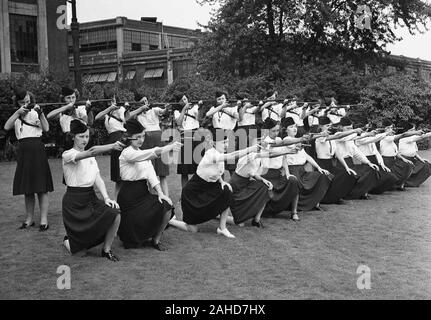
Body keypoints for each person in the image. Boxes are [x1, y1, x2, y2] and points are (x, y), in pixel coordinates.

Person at [169, 129, 259, 238]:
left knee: (227, 191)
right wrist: (251, 149)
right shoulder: (211, 154)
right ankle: (170, 221)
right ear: (214, 143)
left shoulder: (219, 154)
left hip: (209, 187)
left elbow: (216, 172)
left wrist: (222, 182)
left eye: (227, 142)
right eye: (223, 143)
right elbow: (232, 156)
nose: (226, 145)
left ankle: (222, 228)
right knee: (193, 229)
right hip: (192, 193)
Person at [61, 120, 124, 261]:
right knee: (79, 253)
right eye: (81, 136)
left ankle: (106, 250)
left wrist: (107, 198)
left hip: (90, 198)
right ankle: (68, 240)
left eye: (87, 136)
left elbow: (98, 178)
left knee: (115, 214)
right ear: (73, 137)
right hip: (73, 202)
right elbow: (91, 151)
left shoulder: (91, 158)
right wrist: (113, 145)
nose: (85, 140)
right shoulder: (67, 154)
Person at [117, 119, 182, 251]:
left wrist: (161, 193)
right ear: (129, 138)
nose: (141, 140)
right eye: (137, 137)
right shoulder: (127, 153)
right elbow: (146, 154)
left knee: (167, 206)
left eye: (142, 136)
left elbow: (152, 176)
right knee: (131, 243)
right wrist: (168, 147)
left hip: (143, 193)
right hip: (128, 196)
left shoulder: (142, 153)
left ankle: (156, 239)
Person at [4, 88, 53, 231]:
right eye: (22, 102)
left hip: (37, 149)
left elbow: (47, 128)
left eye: (27, 101)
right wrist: (18, 112)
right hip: (24, 150)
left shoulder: (35, 112)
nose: (26, 103)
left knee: (42, 188)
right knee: (28, 188)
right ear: (17, 102)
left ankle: (44, 220)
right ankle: (29, 219)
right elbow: (7, 126)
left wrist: (41, 113)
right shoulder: (17, 114)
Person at [229, 137, 296, 227]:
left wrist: (264, 180)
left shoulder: (258, 156)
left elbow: (253, 173)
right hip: (236, 185)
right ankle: (220, 216)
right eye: (257, 140)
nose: (260, 142)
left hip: (246, 183)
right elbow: (270, 154)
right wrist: (287, 151)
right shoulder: (250, 154)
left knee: (265, 187)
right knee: (239, 224)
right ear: (251, 144)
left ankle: (256, 220)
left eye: (261, 140)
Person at [281, 117, 332, 212]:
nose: (295, 128)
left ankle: (314, 203)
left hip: (302, 170)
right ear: (286, 130)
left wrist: (319, 167)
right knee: (296, 184)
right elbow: (287, 142)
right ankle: (294, 209)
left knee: (321, 176)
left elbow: (307, 156)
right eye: (291, 127)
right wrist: (305, 138)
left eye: (295, 126)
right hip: (293, 170)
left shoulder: (297, 139)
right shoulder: (286, 139)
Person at [127, 95, 171, 196]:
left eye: (146, 101)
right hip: (145, 140)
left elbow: (163, 111)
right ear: (139, 104)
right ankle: (153, 199)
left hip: (158, 138)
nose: (145, 103)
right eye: (142, 102)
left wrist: (166, 109)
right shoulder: (137, 115)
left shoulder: (154, 110)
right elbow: (127, 117)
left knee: (162, 173)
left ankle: (167, 199)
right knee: (150, 172)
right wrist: (140, 109)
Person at [260, 118, 300, 221]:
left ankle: (294, 212)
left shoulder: (278, 139)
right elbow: (271, 154)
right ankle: (261, 213)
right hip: (266, 174)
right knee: (265, 189)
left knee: (293, 180)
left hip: (278, 174)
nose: (276, 133)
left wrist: (287, 173)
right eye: (273, 131)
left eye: (277, 130)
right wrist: (289, 150)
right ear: (267, 130)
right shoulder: (264, 141)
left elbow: (284, 159)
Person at [314, 116, 357, 204]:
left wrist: (346, 167)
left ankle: (335, 197)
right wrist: (354, 131)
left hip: (330, 163)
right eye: (326, 125)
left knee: (347, 174)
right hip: (321, 164)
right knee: (327, 180)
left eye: (329, 125)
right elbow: (330, 137)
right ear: (321, 126)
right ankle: (323, 199)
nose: (329, 127)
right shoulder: (319, 137)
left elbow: (337, 153)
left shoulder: (331, 137)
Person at [334, 117, 380, 199]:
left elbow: (356, 152)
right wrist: (358, 132)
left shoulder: (351, 137)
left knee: (370, 169)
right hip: (340, 164)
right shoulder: (337, 135)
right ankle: (345, 194)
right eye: (347, 128)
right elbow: (348, 137)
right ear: (341, 127)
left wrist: (368, 162)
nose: (349, 130)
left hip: (350, 162)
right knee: (350, 176)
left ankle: (358, 193)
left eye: (351, 128)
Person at [94, 97, 127, 198]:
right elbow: (97, 117)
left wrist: (123, 109)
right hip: (113, 139)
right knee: (118, 176)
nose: (114, 102)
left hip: (122, 137)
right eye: (112, 101)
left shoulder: (121, 110)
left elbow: (126, 121)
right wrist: (110, 109)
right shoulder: (107, 114)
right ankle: (116, 201)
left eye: (115, 101)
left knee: (125, 173)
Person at [47, 86, 92, 151]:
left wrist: (87, 109)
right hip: (67, 139)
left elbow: (87, 122)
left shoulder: (80, 108)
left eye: (73, 97)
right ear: (63, 99)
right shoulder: (61, 110)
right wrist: (66, 107)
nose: (71, 100)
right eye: (68, 98)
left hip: (80, 138)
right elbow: (49, 116)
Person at [206, 90, 239, 174]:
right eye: (219, 99)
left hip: (229, 133)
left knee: (231, 163)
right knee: (219, 163)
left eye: (223, 98)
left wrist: (225, 108)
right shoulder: (214, 108)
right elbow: (208, 114)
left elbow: (237, 117)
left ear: (226, 99)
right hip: (217, 134)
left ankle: (233, 185)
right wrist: (220, 107)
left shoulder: (232, 108)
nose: (221, 100)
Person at [355, 129, 398, 194]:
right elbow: (374, 138)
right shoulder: (359, 140)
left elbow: (376, 152)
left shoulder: (371, 139)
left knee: (391, 177)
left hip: (374, 159)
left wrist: (382, 164)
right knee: (368, 178)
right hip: (365, 160)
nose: (368, 131)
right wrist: (386, 133)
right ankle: (364, 192)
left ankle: (374, 190)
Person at [174, 94, 201, 188]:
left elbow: (199, 119)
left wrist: (199, 107)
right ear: (178, 102)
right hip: (184, 138)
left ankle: (196, 192)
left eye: (185, 99)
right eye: (181, 100)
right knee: (184, 170)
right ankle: (184, 194)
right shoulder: (177, 112)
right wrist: (184, 109)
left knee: (197, 168)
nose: (184, 101)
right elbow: (179, 123)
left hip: (196, 137)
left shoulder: (195, 108)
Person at [379, 119, 415, 190]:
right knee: (391, 176)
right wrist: (417, 132)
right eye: (390, 128)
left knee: (408, 165)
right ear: (386, 129)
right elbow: (403, 135)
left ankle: (398, 185)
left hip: (393, 160)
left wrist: (404, 159)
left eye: (392, 128)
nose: (392, 129)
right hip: (386, 161)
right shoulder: (385, 138)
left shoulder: (391, 140)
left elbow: (396, 152)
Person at [398, 122, 431, 187]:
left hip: (412, 159)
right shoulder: (404, 138)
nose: (414, 131)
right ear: (407, 131)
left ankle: (413, 182)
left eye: (414, 130)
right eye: (411, 130)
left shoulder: (412, 139)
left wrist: (421, 159)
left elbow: (414, 152)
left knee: (426, 164)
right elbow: (422, 137)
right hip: (404, 159)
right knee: (410, 166)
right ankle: (404, 182)